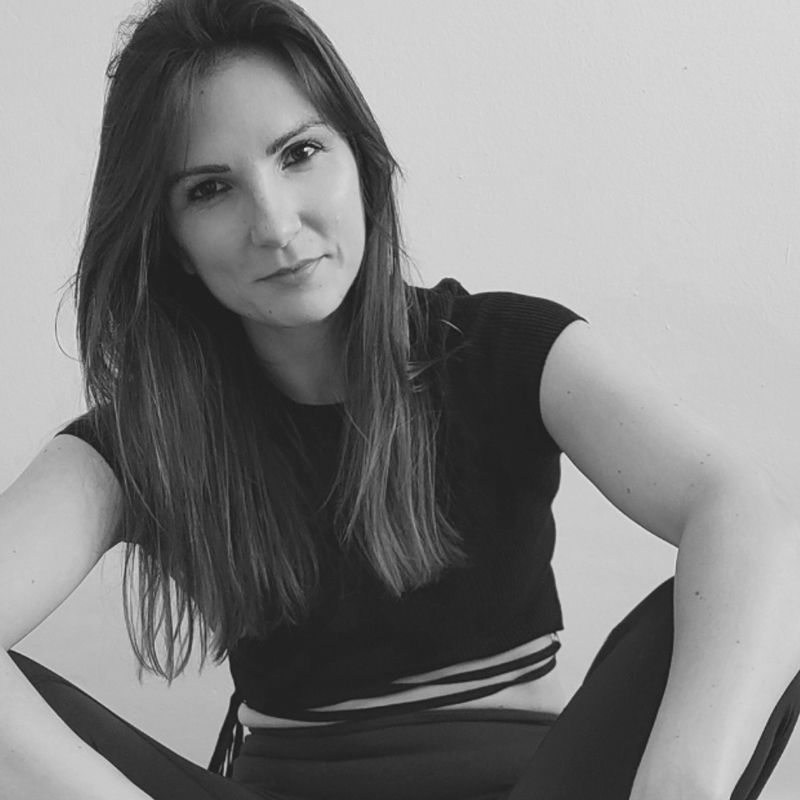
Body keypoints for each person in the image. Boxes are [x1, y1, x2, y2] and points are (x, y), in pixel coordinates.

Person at [1, 0, 799, 798]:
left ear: (361, 158)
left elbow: (738, 505)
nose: (275, 224)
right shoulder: (145, 439)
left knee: (752, 569)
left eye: (300, 152)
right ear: (169, 239)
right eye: (210, 189)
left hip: (537, 786)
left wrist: (681, 786)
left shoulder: (502, 350)